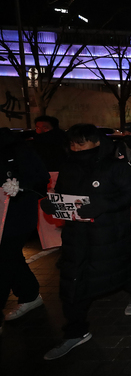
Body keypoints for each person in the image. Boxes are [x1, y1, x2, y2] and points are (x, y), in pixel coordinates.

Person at [39, 124, 131, 360]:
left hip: (109, 234)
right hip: (77, 236)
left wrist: (103, 205)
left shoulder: (116, 167)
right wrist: (52, 204)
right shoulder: (68, 167)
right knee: (73, 282)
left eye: (82, 142)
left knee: (121, 269)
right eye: (73, 143)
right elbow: (62, 195)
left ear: (97, 142)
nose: (76, 147)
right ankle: (75, 332)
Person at [1, 129, 50, 334]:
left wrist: (19, 187)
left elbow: (41, 178)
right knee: (10, 258)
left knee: (5, 258)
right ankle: (30, 295)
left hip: (16, 216)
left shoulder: (18, 149)